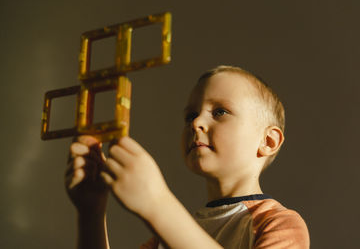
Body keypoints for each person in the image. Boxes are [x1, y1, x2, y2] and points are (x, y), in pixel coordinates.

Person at [65, 65, 310, 249]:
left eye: (220, 112)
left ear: (268, 141)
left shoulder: (278, 223)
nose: (196, 123)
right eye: (190, 116)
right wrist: (92, 213)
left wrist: (157, 204)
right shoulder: (166, 235)